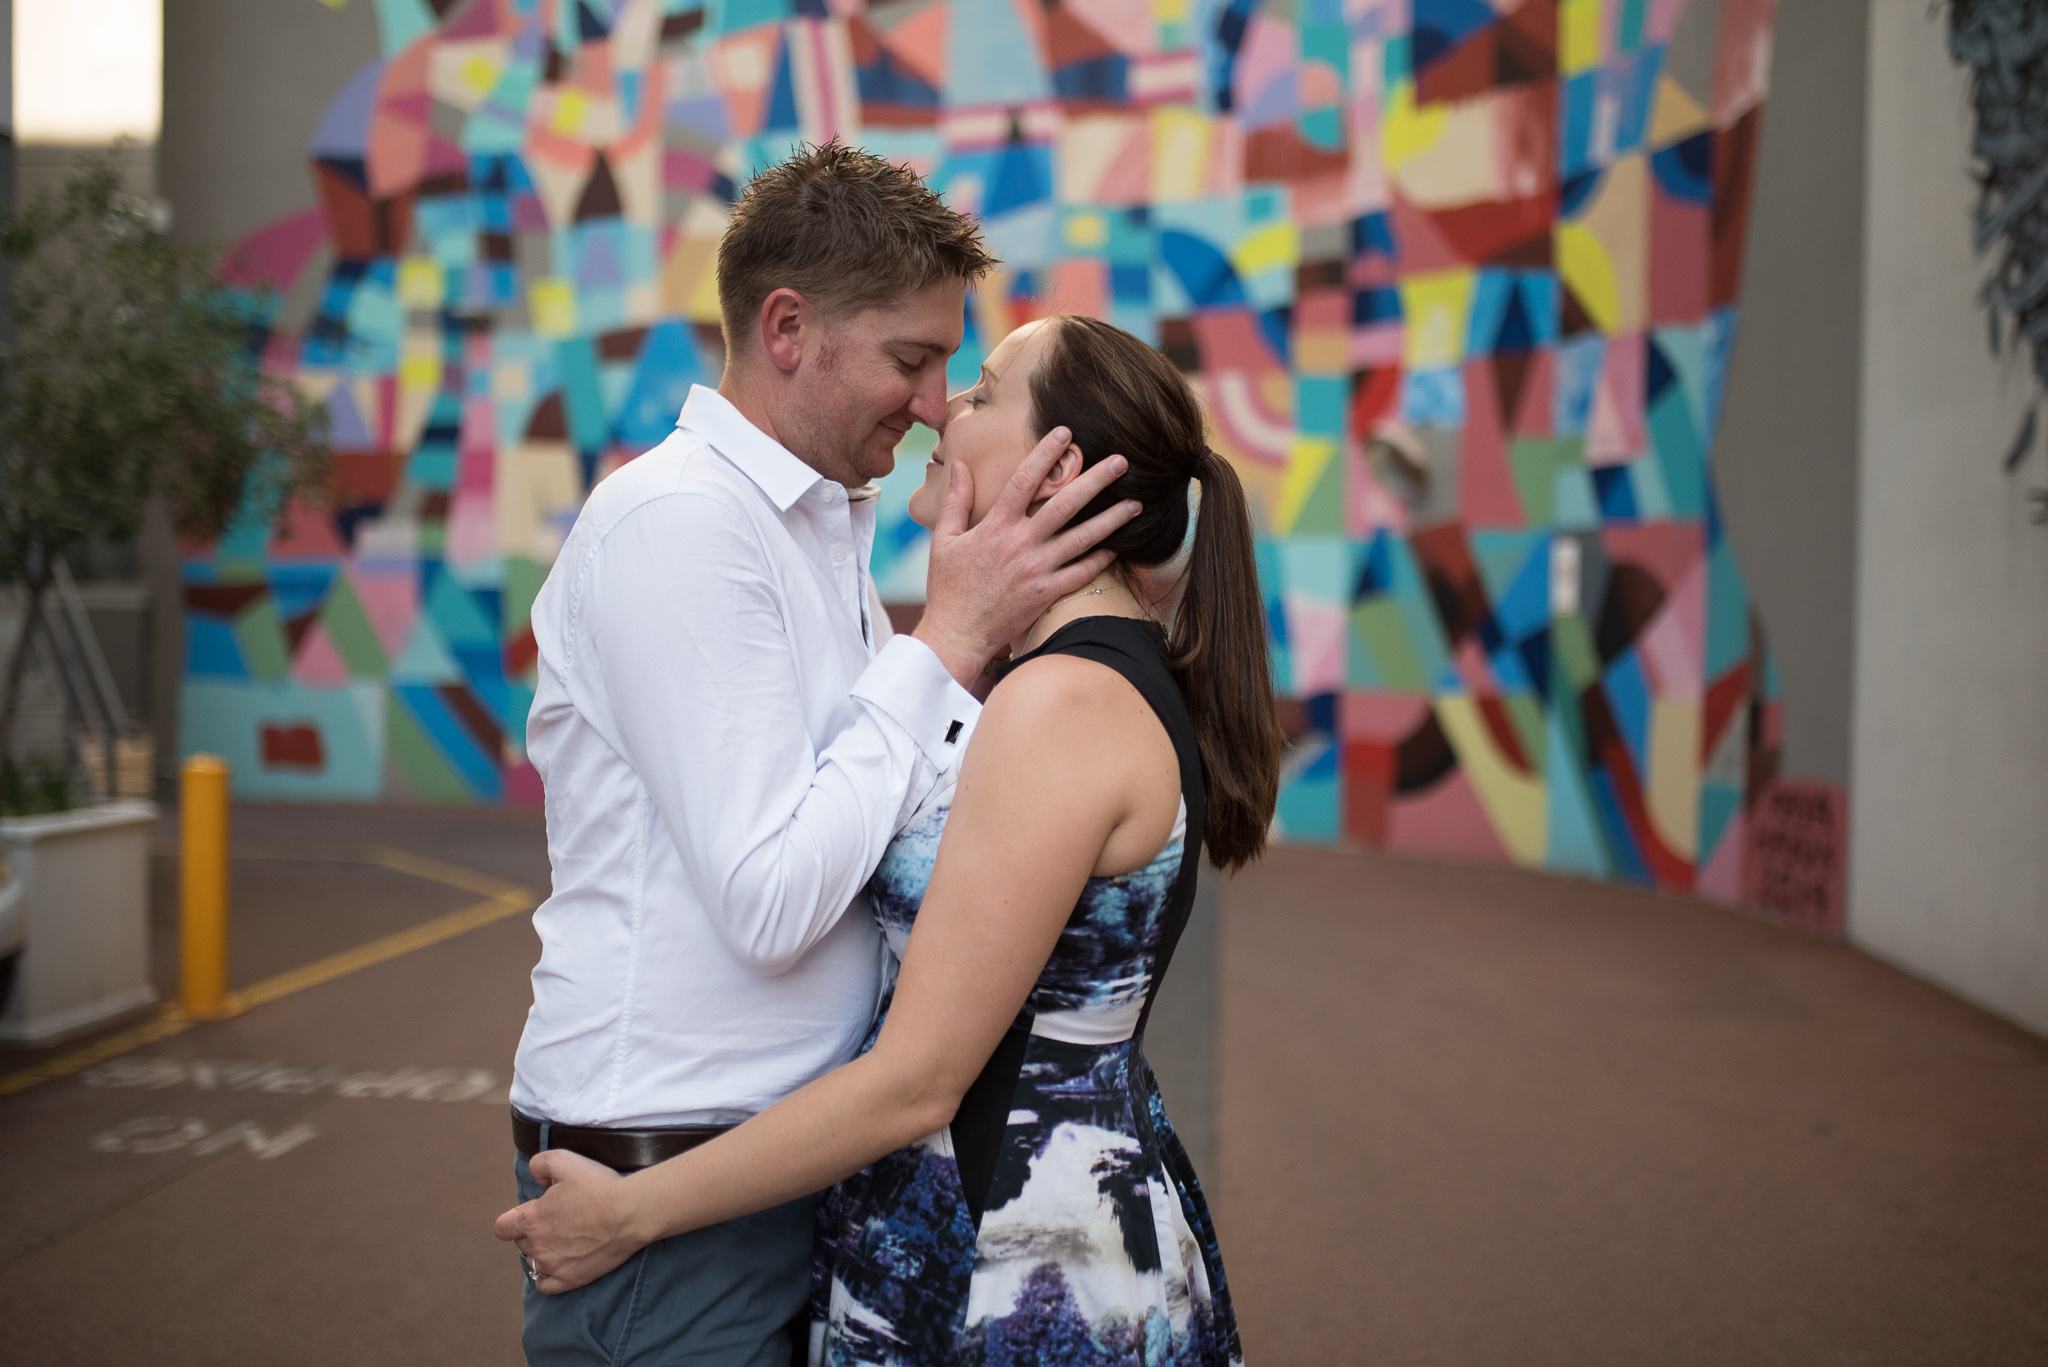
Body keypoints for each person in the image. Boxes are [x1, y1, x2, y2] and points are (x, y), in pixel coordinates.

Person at [498, 311, 1284, 1367]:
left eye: (981, 391)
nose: (940, 406)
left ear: (1057, 473)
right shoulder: (1065, 679)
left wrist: (634, 1211)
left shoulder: (1058, 703)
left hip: (1009, 1252)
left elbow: (918, 1078)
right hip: (1006, 1210)